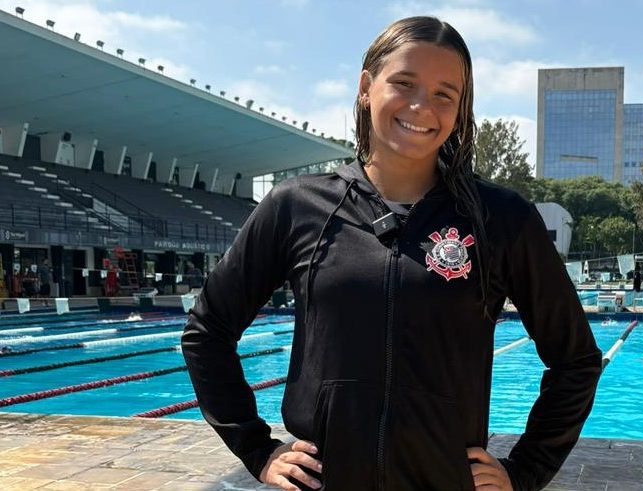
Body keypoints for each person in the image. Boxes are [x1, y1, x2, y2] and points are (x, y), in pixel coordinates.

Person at [182, 16, 601, 491]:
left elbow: (576, 360)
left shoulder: (501, 218)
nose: (423, 106)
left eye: (446, 93)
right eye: (404, 83)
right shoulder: (296, 205)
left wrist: (526, 470)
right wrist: (257, 450)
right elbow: (207, 331)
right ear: (366, 87)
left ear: (460, 109)